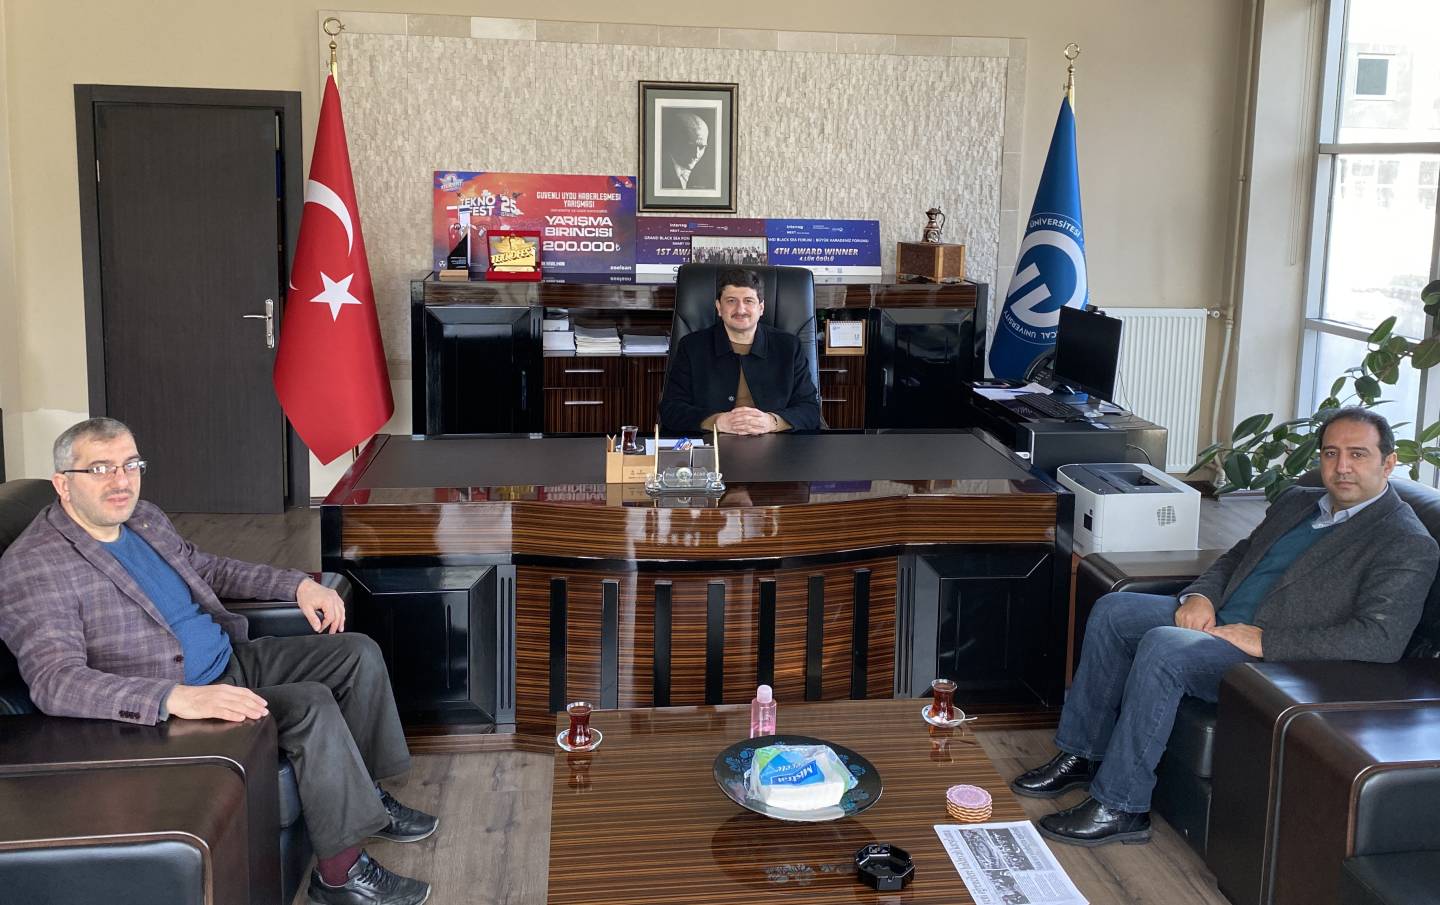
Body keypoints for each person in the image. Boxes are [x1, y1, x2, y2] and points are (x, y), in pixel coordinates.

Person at [0, 418, 437, 905]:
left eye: (130, 464)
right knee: (311, 704)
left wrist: (297, 584)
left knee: (356, 653)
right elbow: (55, 681)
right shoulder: (34, 566)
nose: (121, 481)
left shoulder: (142, 518)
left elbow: (207, 569)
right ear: (63, 483)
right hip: (171, 705)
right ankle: (340, 877)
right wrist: (174, 698)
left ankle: (367, 800)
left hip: (226, 659)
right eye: (100, 468)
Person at [1011, 407, 1438, 847]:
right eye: (1331, 453)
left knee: (1163, 646)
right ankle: (1083, 753)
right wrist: (1201, 596)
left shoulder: (1405, 541)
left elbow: (1380, 640)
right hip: (1222, 621)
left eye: (1358, 454)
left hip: (1275, 659)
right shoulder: (1298, 501)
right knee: (1115, 611)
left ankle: (1121, 806)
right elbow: (1237, 556)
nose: (1342, 466)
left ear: (1389, 463)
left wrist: (1266, 641)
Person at [659, 267, 821, 434]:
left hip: (778, 442)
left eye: (749, 301)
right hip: (712, 442)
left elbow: (810, 409)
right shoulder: (692, 347)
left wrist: (772, 422)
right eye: (731, 301)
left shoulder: (789, 347)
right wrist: (716, 422)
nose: (740, 310)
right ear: (719, 307)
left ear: (761, 308)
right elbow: (671, 409)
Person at [660, 110, 712, 191]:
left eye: (701, 147)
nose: (696, 154)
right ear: (674, 142)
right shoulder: (658, 172)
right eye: (690, 147)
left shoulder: (709, 177)